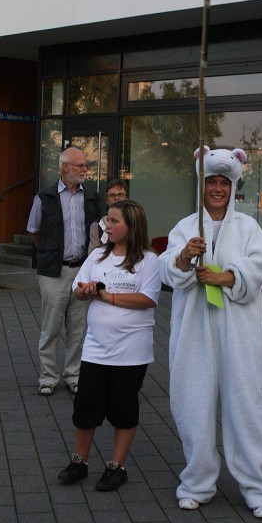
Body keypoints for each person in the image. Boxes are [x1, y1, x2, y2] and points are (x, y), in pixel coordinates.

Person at [159, 146, 262, 519]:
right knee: (192, 403)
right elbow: (167, 269)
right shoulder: (185, 226)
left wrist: (223, 277)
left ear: (232, 187)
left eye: (223, 183)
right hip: (194, 330)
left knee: (246, 405)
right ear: (203, 184)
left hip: (238, 333)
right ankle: (197, 481)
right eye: (210, 181)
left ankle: (259, 487)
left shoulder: (248, 228)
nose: (216, 188)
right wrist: (184, 257)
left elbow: (259, 267)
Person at [57, 200, 161, 490]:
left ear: (132, 226)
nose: (108, 226)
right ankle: (80, 462)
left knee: (123, 410)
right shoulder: (97, 257)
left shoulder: (149, 260)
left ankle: (116, 467)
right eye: (108, 220)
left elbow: (149, 299)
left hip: (131, 353)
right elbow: (78, 290)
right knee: (85, 407)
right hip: (96, 349)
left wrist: (107, 297)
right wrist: (86, 290)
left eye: (115, 221)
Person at [27, 147, 101, 396]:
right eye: (80, 165)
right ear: (65, 167)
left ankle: (73, 375)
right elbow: (34, 232)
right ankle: (48, 377)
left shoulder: (91, 197)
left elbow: (98, 233)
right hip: (53, 272)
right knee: (51, 327)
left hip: (82, 270)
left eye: (85, 165)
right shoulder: (44, 197)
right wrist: (51, 254)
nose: (84, 169)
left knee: (78, 329)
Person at [87, 177, 129, 252]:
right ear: (106, 200)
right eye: (112, 195)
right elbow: (93, 257)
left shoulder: (135, 221)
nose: (116, 198)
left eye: (120, 194)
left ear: (127, 198)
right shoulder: (97, 225)